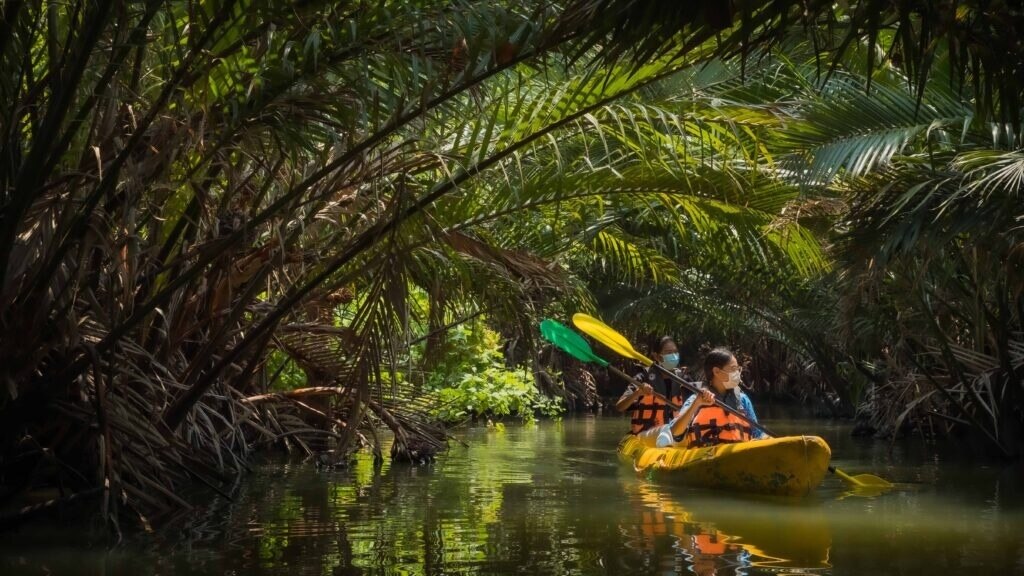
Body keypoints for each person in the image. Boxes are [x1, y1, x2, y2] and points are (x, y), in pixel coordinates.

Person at [655, 347, 766, 448]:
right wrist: (697, 403)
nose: (737, 373)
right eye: (733, 369)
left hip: (737, 454)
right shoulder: (696, 399)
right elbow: (675, 432)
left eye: (737, 369)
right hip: (705, 456)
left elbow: (758, 435)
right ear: (717, 372)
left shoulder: (742, 399)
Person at [614, 336, 687, 434]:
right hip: (647, 434)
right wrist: (637, 393)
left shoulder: (683, 379)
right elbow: (620, 407)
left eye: (675, 352)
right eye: (668, 352)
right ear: (656, 356)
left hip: (675, 434)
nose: (673, 356)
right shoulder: (643, 377)